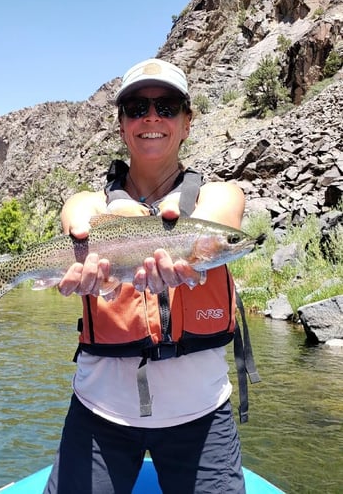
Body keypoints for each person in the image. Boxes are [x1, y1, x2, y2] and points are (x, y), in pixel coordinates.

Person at [44, 58, 247, 494]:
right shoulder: (88, 203)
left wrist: (187, 238)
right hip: (99, 416)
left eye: (168, 106)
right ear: (121, 126)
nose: (152, 117)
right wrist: (111, 216)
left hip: (202, 419)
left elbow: (219, 218)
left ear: (187, 122)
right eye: (136, 108)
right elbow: (79, 217)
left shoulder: (219, 196)